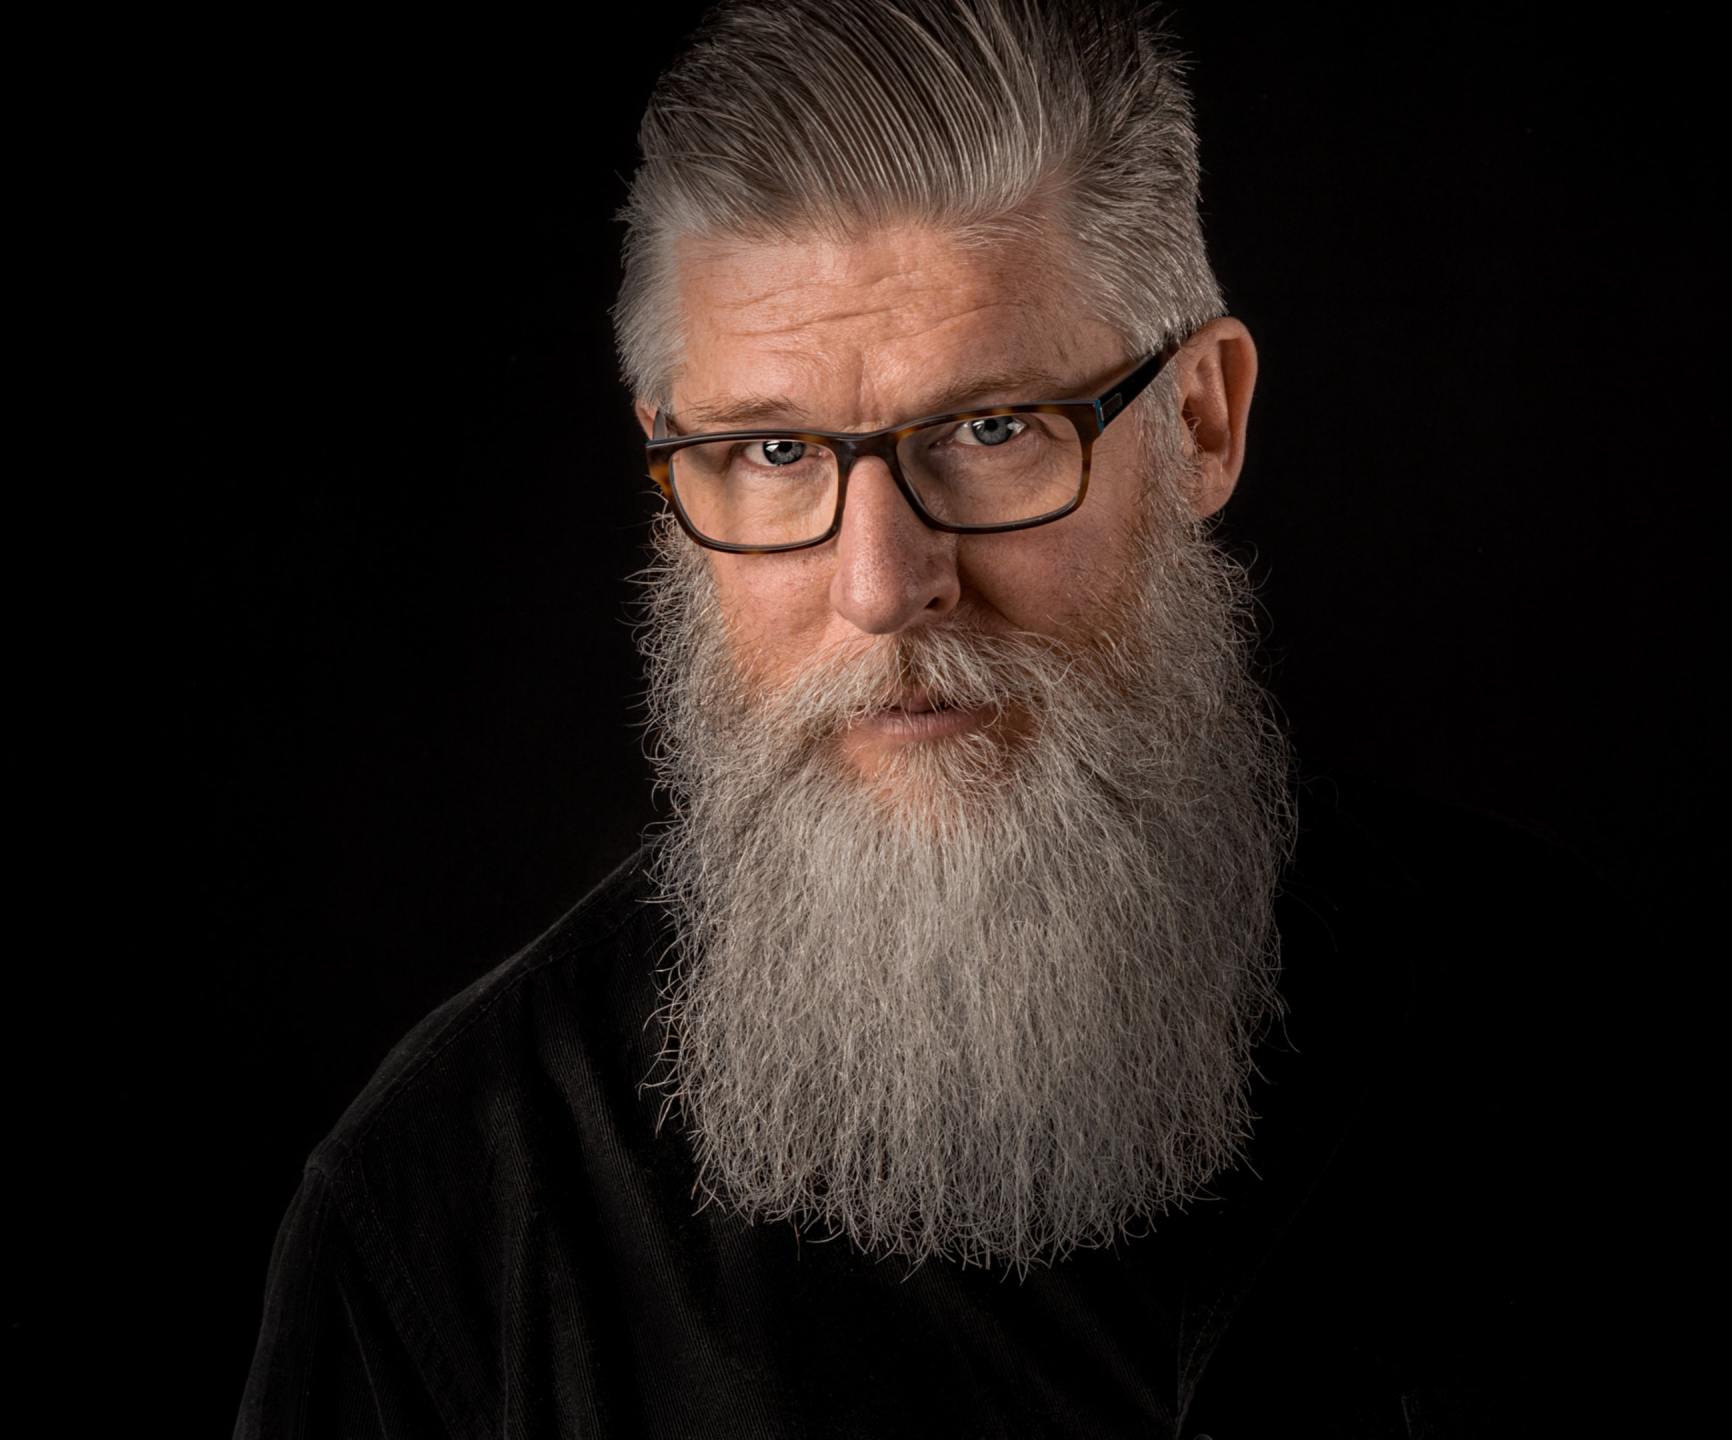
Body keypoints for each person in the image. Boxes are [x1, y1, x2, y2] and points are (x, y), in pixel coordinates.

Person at [236, 2, 1610, 1434]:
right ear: (668, 470)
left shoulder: (1575, 1027)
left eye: (994, 429)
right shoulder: (442, 1230)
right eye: (771, 451)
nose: (886, 586)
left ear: (1200, 421)